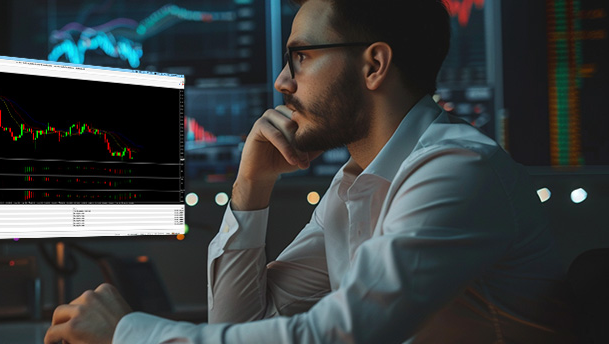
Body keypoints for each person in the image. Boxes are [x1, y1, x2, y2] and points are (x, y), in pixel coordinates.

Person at [44, 0, 575, 343]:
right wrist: (252, 188)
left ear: (374, 65)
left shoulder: (457, 170)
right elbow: (243, 327)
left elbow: (339, 336)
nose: (281, 82)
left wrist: (128, 334)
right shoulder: (354, 187)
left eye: (300, 56)